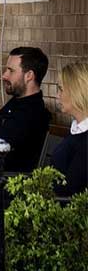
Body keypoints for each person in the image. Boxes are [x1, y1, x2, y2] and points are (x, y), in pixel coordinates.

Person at [0, 47, 51, 172]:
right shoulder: (15, 102)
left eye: (11, 71)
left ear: (29, 76)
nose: (4, 75)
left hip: (3, 184)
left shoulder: (32, 114)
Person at [52, 61, 87, 197]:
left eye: (60, 89)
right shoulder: (76, 130)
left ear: (77, 91)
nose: (57, 95)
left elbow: (72, 189)